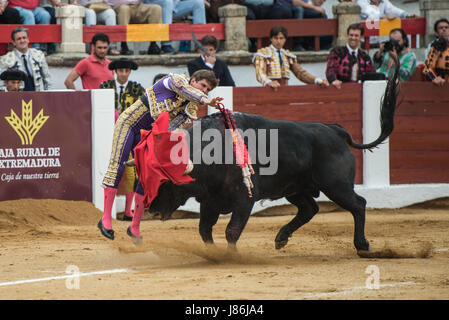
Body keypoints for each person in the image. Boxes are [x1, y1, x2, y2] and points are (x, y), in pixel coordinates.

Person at [98, 69, 223, 241]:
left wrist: (147, 152)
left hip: (147, 137)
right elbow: (186, 91)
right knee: (117, 166)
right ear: (193, 80)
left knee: (147, 176)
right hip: (129, 124)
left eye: (208, 90)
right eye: (203, 86)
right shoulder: (176, 80)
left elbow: (170, 130)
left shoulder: (190, 109)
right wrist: (207, 100)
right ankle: (105, 219)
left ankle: (134, 227)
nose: (204, 90)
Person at [99, 58, 145, 221]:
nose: (124, 74)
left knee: (133, 173)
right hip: (106, 135)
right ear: (115, 72)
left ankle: (128, 211)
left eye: (126, 71)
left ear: (130, 72)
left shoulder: (137, 89)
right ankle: (105, 212)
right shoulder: (105, 87)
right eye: (121, 71)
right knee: (111, 170)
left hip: (130, 135)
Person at [253, 25, 330, 90]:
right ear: (271, 39)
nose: (278, 41)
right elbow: (260, 73)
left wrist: (317, 80)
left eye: (281, 38)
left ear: (285, 39)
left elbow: (300, 73)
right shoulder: (263, 54)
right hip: (268, 90)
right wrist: (268, 82)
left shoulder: (287, 55)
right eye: (276, 38)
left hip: (285, 90)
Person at [142, 0, 206, 54]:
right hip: (154, 5)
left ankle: (200, 45)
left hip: (174, 5)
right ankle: (166, 44)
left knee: (198, 3)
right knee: (167, 2)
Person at [0, 27, 52, 91]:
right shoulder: (5, 59)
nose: (22, 41)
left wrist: (49, 95)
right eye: (19, 39)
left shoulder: (39, 55)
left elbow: (47, 79)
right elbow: (1, 83)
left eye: (24, 38)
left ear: (28, 39)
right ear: (14, 42)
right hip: (17, 97)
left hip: (37, 94)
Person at [325, 23, 375, 89]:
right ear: (347, 36)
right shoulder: (337, 52)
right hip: (340, 88)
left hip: (361, 90)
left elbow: (371, 74)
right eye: (351, 35)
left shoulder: (365, 56)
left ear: (361, 37)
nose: (353, 38)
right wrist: (333, 80)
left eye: (356, 35)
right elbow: (330, 69)